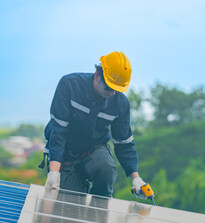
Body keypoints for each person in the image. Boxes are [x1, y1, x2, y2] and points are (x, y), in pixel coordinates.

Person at [41, 51, 152, 198]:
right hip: (66, 153)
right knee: (70, 202)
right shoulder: (69, 85)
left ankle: (100, 206)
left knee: (105, 167)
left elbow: (123, 143)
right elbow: (58, 131)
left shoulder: (120, 104)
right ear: (97, 75)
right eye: (108, 87)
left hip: (94, 150)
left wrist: (136, 178)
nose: (112, 93)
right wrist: (54, 172)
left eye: (116, 89)